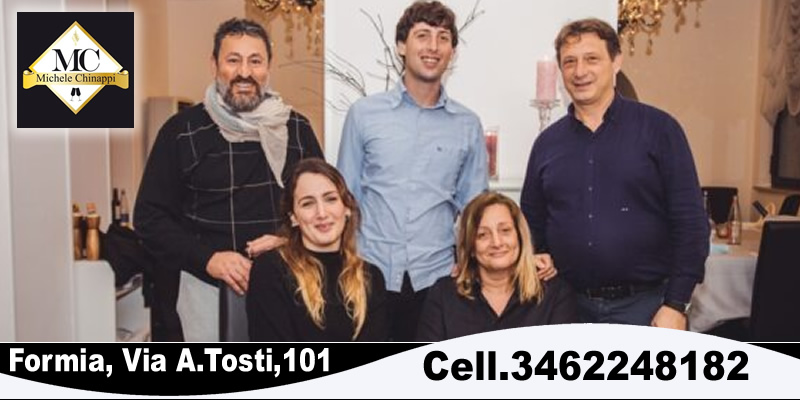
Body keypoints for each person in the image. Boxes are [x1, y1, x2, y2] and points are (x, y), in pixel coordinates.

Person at [134, 18, 323, 341]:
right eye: (233, 60)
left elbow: (324, 209)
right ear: (214, 65)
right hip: (205, 291)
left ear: (268, 67)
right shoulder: (181, 131)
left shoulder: (297, 129)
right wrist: (209, 260)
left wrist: (290, 241)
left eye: (255, 61)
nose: (244, 72)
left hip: (288, 287)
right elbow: (149, 218)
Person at [520, 18, 709, 330]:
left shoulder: (660, 130)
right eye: (570, 62)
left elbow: (691, 224)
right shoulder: (547, 144)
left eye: (592, 59)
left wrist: (676, 304)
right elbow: (531, 224)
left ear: (616, 61)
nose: (580, 71)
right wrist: (537, 254)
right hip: (566, 307)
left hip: (647, 308)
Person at [336, 0, 489, 342]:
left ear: (452, 52)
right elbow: (345, 198)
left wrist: (468, 264)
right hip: (369, 271)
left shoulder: (467, 124)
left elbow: (475, 209)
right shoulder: (364, 115)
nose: (433, 46)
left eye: (443, 38)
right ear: (402, 46)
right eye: (422, 36)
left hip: (437, 276)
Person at [247, 159, 389, 341]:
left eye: (330, 199)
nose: (321, 213)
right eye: (307, 203)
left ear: (346, 208)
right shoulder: (270, 270)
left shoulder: (371, 276)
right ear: (293, 217)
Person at [418, 192, 576, 341]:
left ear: (520, 237)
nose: (497, 242)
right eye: (483, 235)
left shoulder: (554, 295)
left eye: (505, 231)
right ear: (470, 247)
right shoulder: (443, 295)